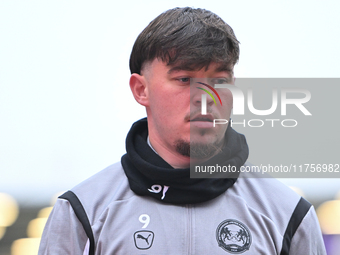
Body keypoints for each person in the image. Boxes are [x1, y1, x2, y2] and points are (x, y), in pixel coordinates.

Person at [39, 7, 326, 255]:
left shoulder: (288, 214)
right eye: (185, 78)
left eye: (219, 80)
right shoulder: (82, 213)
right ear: (141, 89)